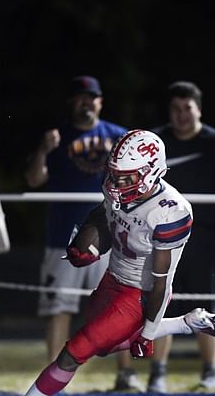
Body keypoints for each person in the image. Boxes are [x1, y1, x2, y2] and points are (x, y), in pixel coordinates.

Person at [23, 129, 215, 396]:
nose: (117, 184)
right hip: (112, 277)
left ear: (151, 172)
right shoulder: (119, 190)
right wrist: (87, 245)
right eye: (115, 176)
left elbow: (161, 282)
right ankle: (187, 322)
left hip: (140, 293)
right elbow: (105, 215)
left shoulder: (169, 211)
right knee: (105, 345)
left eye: (126, 178)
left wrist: (148, 334)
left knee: (74, 350)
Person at [23, 76, 140, 391]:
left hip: (111, 239)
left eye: (92, 97)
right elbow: (34, 180)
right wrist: (43, 151)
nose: (86, 102)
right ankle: (54, 379)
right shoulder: (57, 138)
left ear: (100, 101)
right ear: (72, 102)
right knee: (59, 307)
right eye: (80, 97)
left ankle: (126, 374)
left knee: (121, 307)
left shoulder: (118, 136)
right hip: (63, 237)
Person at [147, 81, 215, 391]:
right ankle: (158, 374)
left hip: (205, 239)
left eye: (187, 108)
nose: (181, 115)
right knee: (159, 303)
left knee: (208, 305)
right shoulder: (157, 142)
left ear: (198, 109)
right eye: (175, 109)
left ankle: (210, 371)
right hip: (163, 240)